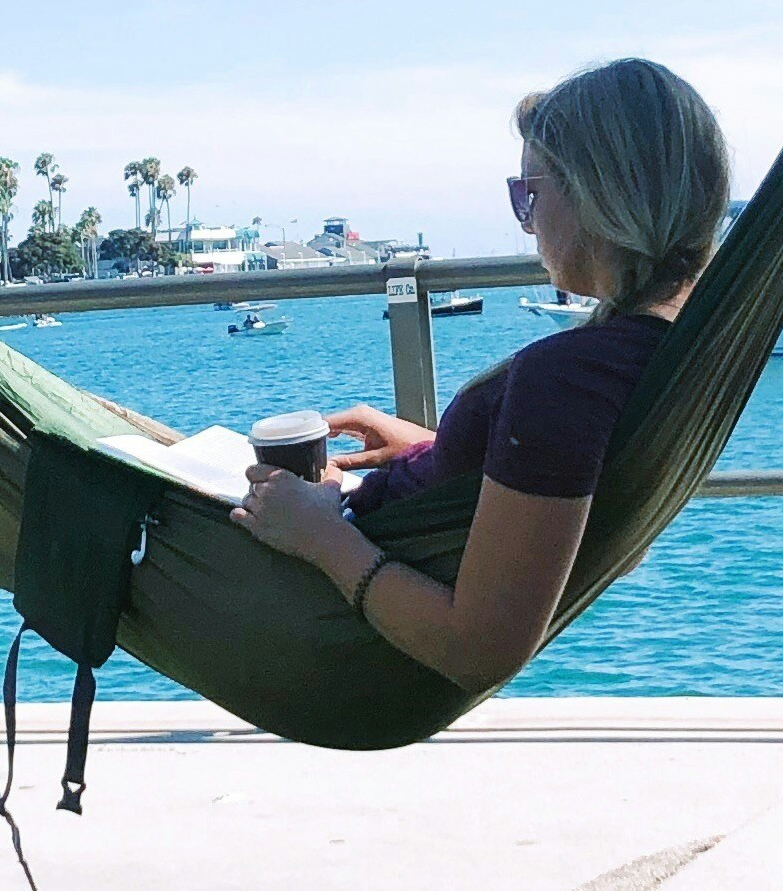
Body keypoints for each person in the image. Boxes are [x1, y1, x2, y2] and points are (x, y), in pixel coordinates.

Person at [232, 56, 730, 692]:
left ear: (598, 197)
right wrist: (430, 451)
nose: (527, 220)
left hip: (356, 620)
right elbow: (570, 502)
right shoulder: (680, 341)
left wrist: (319, 536)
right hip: (374, 524)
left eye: (531, 195)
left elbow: (478, 651)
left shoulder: (565, 379)